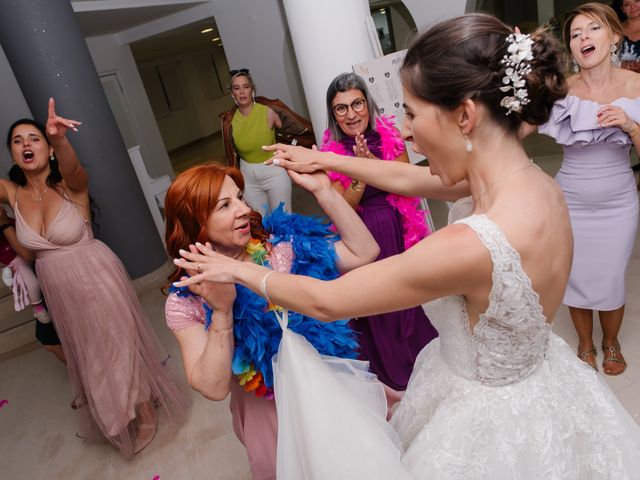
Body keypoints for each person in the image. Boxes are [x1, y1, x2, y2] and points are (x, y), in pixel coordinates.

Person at [175, 13, 640, 478]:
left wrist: (237, 270)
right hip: (542, 380)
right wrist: (322, 159)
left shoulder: (471, 244)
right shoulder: (534, 184)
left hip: (491, 419)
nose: (407, 131)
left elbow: (328, 300)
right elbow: (409, 176)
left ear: (465, 115)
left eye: (413, 113)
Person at [163, 162, 379, 479]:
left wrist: (324, 191)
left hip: (330, 389)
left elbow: (364, 251)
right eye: (225, 205)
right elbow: (213, 387)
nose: (242, 209)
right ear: (197, 223)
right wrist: (222, 311)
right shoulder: (187, 300)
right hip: (269, 417)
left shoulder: (280, 249)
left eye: (239, 197)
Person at [1, 99, 190, 457]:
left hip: (95, 272)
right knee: (91, 353)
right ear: (12, 154)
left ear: (48, 149)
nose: (27, 145)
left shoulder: (71, 185)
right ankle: (118, 409)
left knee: (118, 342)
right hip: (58, 285)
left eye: (35, 138)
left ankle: (145, 406)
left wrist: (59, 140)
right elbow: (29, 253)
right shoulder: (13, 194)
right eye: (17, 140)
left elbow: (73, 168)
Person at [536, 3, 640, 375]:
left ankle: (610, 343)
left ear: (614, 37)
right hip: (570, 199)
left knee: (610, 276)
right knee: (575, 274)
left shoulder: (636, 86)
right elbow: (519, 127)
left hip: (618, 201)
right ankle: (584, 344)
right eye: (575, 33)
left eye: (592, 29)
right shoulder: (561, 89)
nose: (583, 38)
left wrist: (630, 125)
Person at [319, 72, 437, 390]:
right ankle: (389, 368)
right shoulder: (329, 155)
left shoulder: (390, 136)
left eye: (357, 103)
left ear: (368, 104)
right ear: (333, 115)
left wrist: (371, 161)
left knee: (406, 294)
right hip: (359, 234)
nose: (351, 113)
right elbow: (342, 207)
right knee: (374, 301)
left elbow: (406, 183)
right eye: (341, 108)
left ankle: (419, 362)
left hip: (395, 226)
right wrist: (359, 171)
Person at [221, 69, 292, 215]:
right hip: (248, 177)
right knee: (260, 223)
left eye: (246, 87)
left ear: (252, 90)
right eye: (236, 88)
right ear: (232, 94)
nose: (242, 92)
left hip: (274, 171)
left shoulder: (268, 111)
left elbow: (290, 132)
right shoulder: (229, 121)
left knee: (283, 220)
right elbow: (230, 154)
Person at [0, 206, 64, 363]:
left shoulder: (14, 217)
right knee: (50, 340)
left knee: (51, 339)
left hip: (46, 269)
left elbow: (28, 252)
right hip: (23, 264)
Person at [613, 0, 640, 72]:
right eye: (627, 4)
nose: (633, 7)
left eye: (637, 1)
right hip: (622, 78)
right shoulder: (615, 30)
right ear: (622, 9)